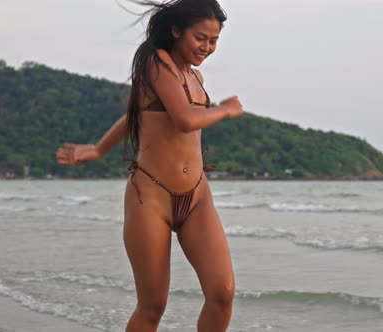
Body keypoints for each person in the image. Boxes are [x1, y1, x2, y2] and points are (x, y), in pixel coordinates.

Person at [56, 0, 244, 331]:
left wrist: (99, 149)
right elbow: (186, 119)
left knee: (222, 293)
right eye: (201, 37)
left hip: (197, 197)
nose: (207, 47)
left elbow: (138, 114)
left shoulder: (195, 77)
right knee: (152, 305)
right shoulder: (157, 63)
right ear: (176, 30)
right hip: (151, 198)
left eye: (214, 41)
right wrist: (225, 110)